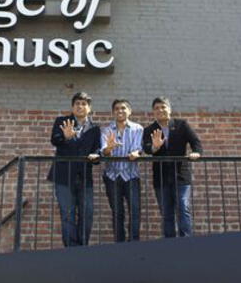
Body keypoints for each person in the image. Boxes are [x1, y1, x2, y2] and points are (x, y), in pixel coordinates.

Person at [143, 96, 202, 237]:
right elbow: (146, 148)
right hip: (161, 177)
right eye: (156, 108)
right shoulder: (150, 129)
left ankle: (186, 241)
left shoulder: (182, 125)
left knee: (183, 207)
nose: (160, 110)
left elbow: (196, 142)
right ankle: (169, 243)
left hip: (180, 175)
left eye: (163, 107)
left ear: (169, 109)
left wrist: (196, 153)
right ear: (153, 112)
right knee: (166, 213)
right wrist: (155, 148)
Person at [47, 91, 100, 247]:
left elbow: (97, 149)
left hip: (84, 177)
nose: (80, 106)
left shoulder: (95, 128)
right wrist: (65, 137)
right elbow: (54, 140)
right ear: (72, 106)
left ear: (89, 108)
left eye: (84, 104)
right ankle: (71, 249)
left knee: (87, 213)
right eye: (77, 103)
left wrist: (96, 155)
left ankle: (82, 246)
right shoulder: (62, 121)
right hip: (63, 176)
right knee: (67, 214)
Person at [100, 98, 143, 242]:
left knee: (135, 211)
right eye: (117, 108)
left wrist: (136, 153)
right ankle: (119, 243)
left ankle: (133, 242)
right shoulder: (106, 130)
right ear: (113, 112)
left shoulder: (138, 128)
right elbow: (103, 152)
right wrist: (108, 149)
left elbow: (138, 148)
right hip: (112, 176)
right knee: (117, 212)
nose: (120, 111)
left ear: (129, 111)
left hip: (131, 175)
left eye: (123, 108)